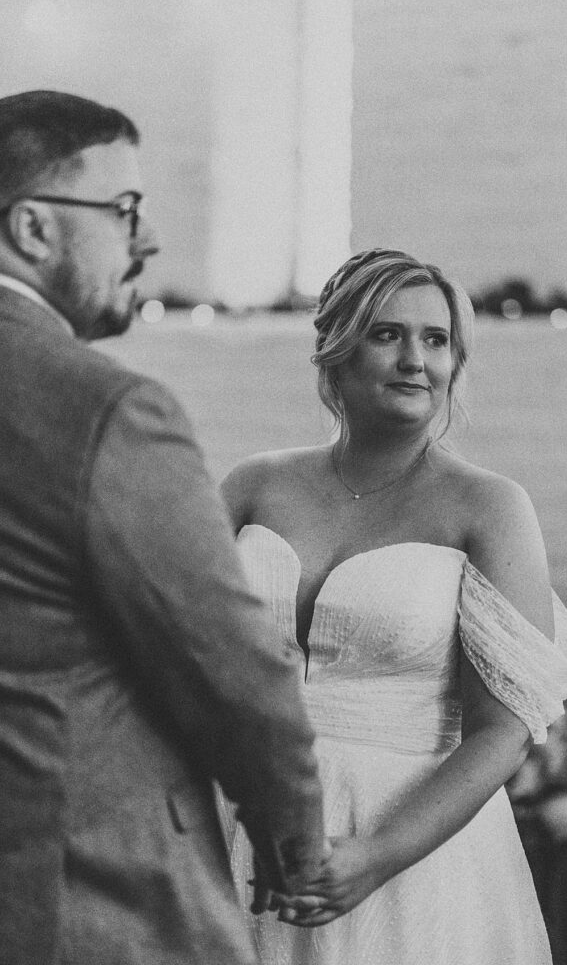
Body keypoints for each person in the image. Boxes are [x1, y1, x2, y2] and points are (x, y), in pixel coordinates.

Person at [0, 89, 326, 965]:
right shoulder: (104, 409)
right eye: (124, 210)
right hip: (84, 894)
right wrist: (296, 850)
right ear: (32, 228)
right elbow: (230, 666)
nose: (145, 241)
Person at [220, 248, 567, 965]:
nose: (415, 359)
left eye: (436, 339)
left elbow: (502, 731)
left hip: (409, 846)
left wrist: (376, 856)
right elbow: (177, 652)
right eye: (387, 333)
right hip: (240, 820)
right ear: (336, 347)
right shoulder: (252, 485)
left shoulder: (488, 509)